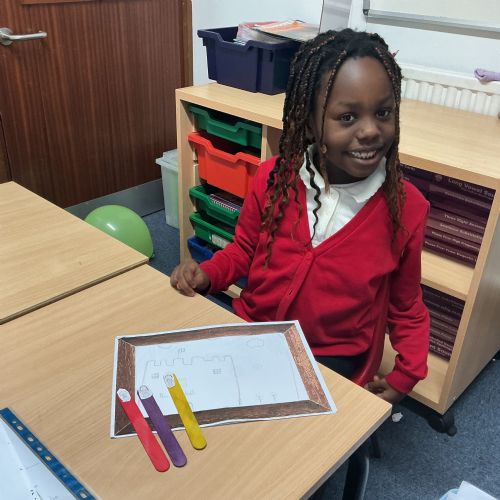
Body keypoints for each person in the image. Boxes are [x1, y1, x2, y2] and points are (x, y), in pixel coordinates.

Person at [171, 28, 430, 404]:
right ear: (310, 123)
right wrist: (208, 273)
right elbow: (244, 250)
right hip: (254, 330)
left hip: (329, 357)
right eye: (347, 117)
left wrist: (407, 374)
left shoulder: (406, 208)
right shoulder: (273, 178)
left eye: (384, 113)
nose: (371, 131)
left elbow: (407, 305)